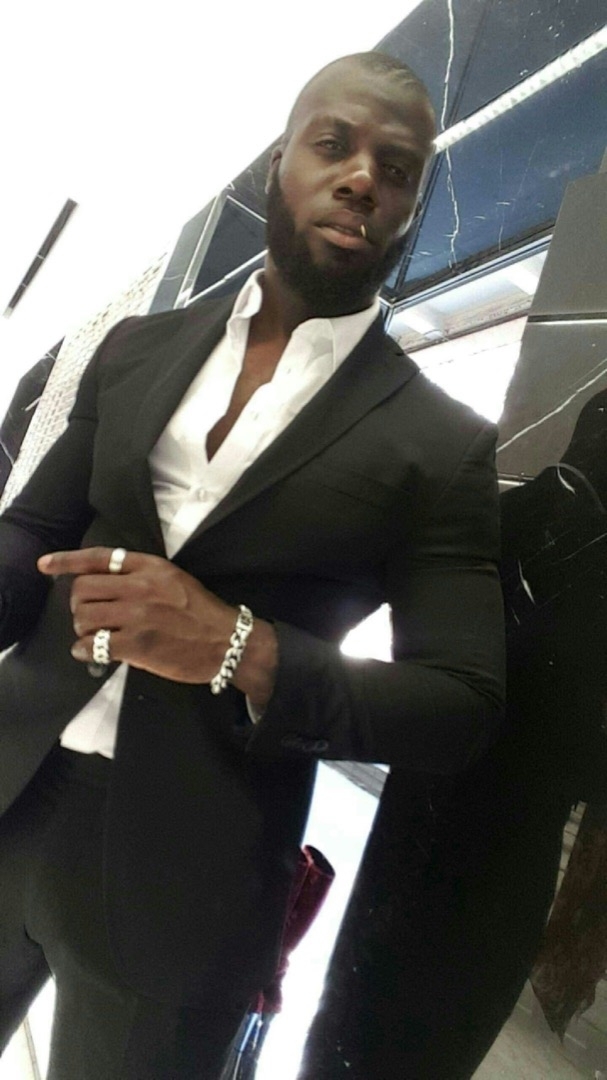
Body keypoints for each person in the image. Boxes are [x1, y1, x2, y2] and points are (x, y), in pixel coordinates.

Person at [0, 52, 504, 1079]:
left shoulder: (439, 443)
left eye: (396, 170)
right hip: (12, 783)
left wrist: (241, 649)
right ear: (280, 161)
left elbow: (457, 707)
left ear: (409, 209)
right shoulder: (135, 349)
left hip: (185, 887)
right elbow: (32, 536)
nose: (361, 178)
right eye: (334, 145)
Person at [298, 390, 607, 1079]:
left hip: (424, 812)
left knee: (355, 1011)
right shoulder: (520, 529)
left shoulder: (499, 517)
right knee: (425, 1032)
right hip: (506, 846)